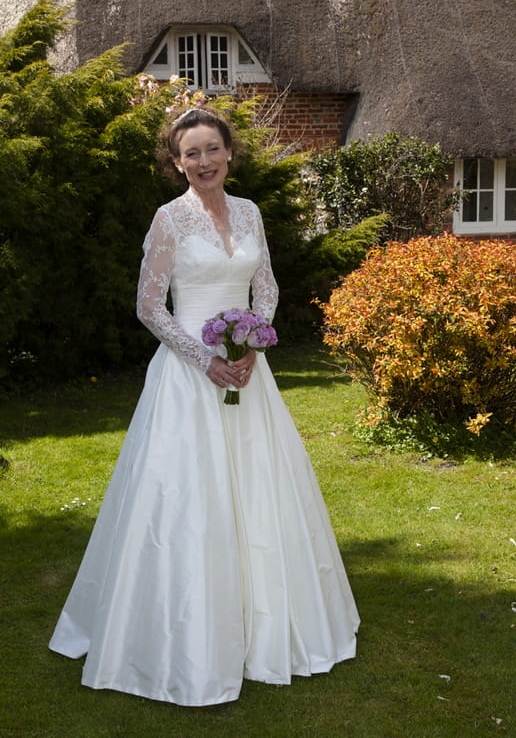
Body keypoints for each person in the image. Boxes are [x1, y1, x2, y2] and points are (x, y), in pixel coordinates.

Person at [49, 107, 359, 706]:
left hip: (247, 372)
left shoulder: (250, 212)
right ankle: (186, 635)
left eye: (211, 149)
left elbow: (264, 284)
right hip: (189, 380)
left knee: (261, 492)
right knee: (189, 501)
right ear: (176, 163)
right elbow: (150, 305)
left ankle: (271, 628)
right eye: (190, 154)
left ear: (228, 153)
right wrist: (205, 359)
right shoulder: (168, 221)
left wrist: (254, 343)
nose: (203, 162)